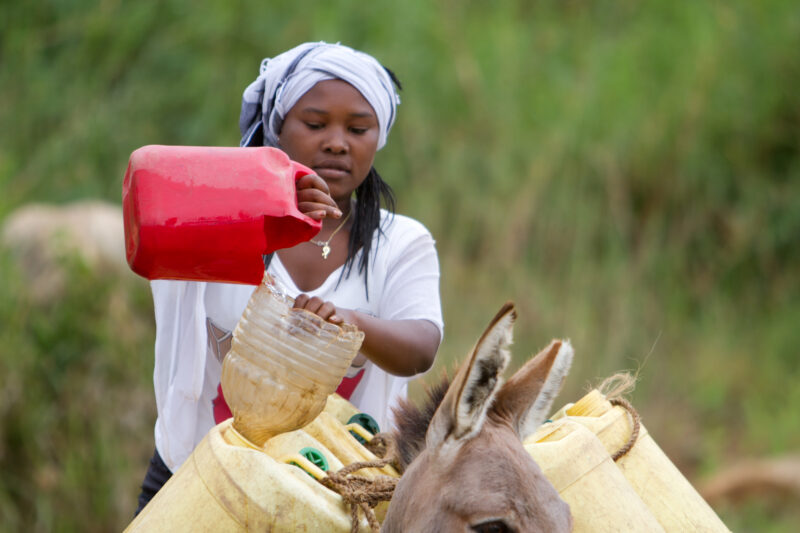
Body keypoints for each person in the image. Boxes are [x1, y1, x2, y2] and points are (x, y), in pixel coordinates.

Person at [135, 41, 444, 514]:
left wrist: (348, 322)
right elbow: (146, 208)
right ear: (278, 129)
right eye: (315, 124)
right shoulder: (218, 219)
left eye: (358, 128)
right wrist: (258, 200)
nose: (337, 142)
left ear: (378, 138)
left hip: (331, 499)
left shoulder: (401, 243)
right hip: (196, 482)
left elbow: (421, 347)